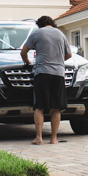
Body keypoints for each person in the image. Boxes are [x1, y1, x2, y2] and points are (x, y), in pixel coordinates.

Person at [21, 15, 72, 145]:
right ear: (52, 23)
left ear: (39, 25)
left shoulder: (37, 33)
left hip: (42, 73)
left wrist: (28, 61)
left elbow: (23, 52)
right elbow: (69, 54)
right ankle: (54, 138)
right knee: (56, 108)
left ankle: (39, 137)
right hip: (59, 74)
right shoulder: (61, 34)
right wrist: (58, 61)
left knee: (39, 107)